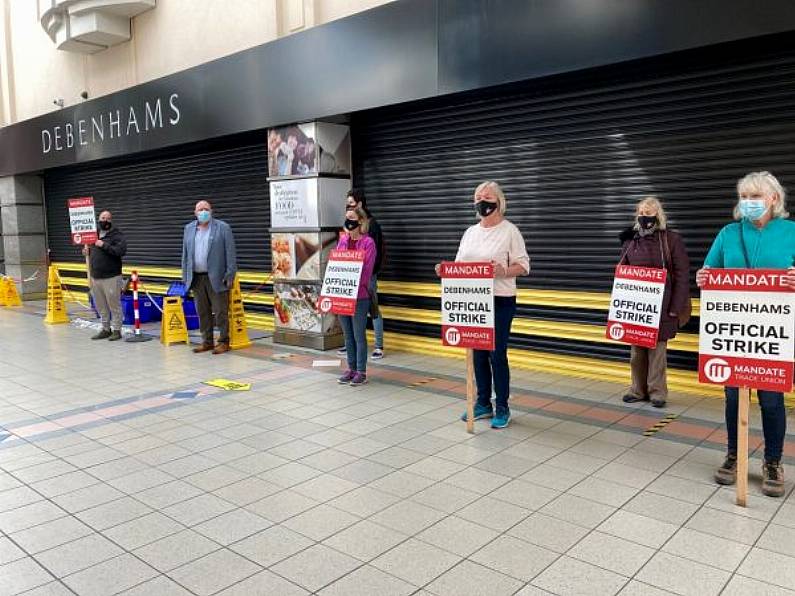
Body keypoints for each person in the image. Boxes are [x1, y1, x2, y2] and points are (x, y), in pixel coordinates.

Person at [697, 171, 795, 498]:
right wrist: (703, 276)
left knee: (771, 399)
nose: (749, 203)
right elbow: (709, 272)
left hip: (772, 333)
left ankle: (773, 461)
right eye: (745, 197)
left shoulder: (791, 232)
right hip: (734, 331)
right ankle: (734, 454)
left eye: (756, 196)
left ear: (774, 199)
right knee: (732, 396)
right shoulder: (728, 233)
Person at [435, 181, 529, 429]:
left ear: (499, 201)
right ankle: (483, 403)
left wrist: (503, 270)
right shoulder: (470, 233)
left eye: (486, 196)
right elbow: (459, 266)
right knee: (477, 354)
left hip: (500, 300)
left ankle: (503, 406)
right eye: (477, 197)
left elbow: (524, 266)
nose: (481, 201)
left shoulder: (510, 231)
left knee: (496, 354)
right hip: (472, 300)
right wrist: (444, 271)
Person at [619, 197, 690, 408]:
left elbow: (682, 273)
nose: (644, 216)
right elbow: (622, 270)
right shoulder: (630, 240)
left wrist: (676, 308)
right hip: (636, 306)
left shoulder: (671, 240)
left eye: (649, 213)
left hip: (663, 306)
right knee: (636, 351)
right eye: (641, 212)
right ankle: (637, 389)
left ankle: (657, 392)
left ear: (658, 215)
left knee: (657, 352)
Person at [181, 200, 238, 355]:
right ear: (195, 212)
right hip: (197, 278)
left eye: (206, 209)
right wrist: (185, 275)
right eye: (200, 209)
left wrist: (230, 273)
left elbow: (230, 253)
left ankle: (223, 341)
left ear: (211, 211)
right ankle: (207, 341)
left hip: (218, 277)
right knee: (202, 311)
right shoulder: (189, 229)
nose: (203, 212)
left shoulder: (222, 228)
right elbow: (185, 255)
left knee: (220, 311)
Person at [339, 189, 386, 359]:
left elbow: (374, 252)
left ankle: (378, 345)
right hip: (348, 282)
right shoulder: (344, 238)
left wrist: (369, 274)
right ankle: (349, 345)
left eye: (351, 203)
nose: (348, 206)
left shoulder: (371, 226)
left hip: (367, 277)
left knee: (373, 309)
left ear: (359, 204)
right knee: (350, 312)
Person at [336, 207, 377, 386]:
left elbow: (366, 271)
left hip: (359, 296)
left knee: (358, 334)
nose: (348, 221)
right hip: (342, 295)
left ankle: (361, 371)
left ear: (360, 221)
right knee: (347, 336)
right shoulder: (343, 241)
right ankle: (351, 368)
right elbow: (336, 264)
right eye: (346, 218)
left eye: (351, 218)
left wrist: (350, 278)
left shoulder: (368, 243)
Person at [86, 210, 127, 341]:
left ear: (111, 220)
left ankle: (116, 330)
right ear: (98, 219)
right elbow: (92, 252)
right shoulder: (92, 235)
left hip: (111, 276)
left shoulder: (117, 234)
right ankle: (105, 328)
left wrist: (103, 245)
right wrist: (86, 251)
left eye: (108, 219)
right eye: (103, 218)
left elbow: (121, 251)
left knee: (114, 304)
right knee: (100, 305)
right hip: (95, 276)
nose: (105, 221)